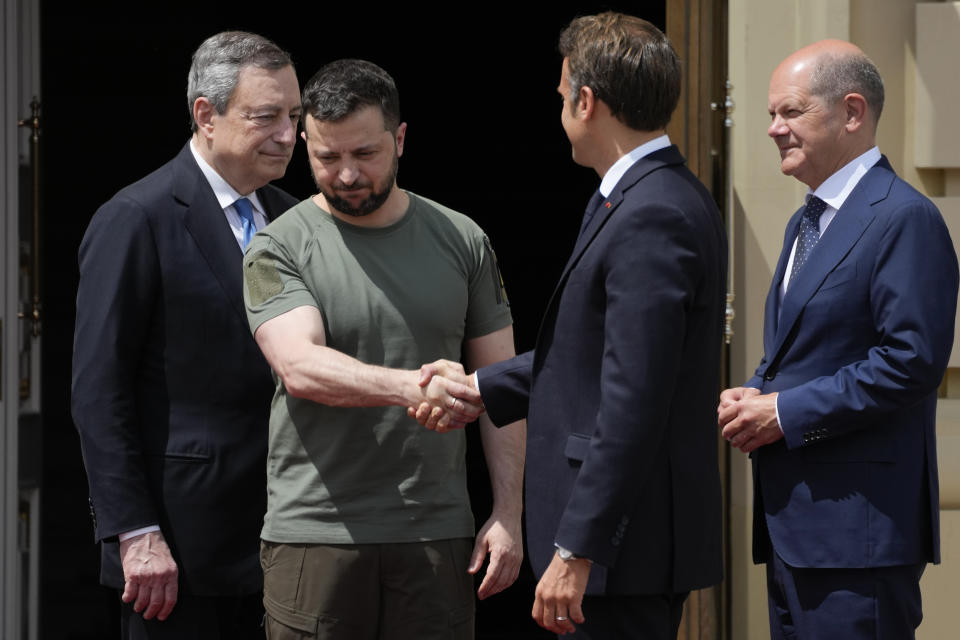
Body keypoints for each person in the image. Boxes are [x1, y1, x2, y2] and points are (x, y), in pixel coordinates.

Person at [415, 12, 725, 639]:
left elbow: (633, 398)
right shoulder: (641, 196)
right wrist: (484, 386)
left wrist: (578, 547)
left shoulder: (651, 212)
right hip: (621, 552)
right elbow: (595, 352)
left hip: (617, 557)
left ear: (587, 101)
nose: (559, 111)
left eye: (561, 96)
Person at [241, 58, 525, 640]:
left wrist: (509, 514)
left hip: (434, 532)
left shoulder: (463, 239)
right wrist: (418, 387)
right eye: (326, 156)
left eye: (364, 154)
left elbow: (504, 386)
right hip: (315, 536)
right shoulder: (276, 247)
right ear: (305, 145)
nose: (346, 175)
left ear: (399, 139)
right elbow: (300, 368)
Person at [717, 39, 959, 639]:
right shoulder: (807, 220)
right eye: (771, 114)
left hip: (859, 541)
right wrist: (756, 394)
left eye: (790, 112)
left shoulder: (904, 217)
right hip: (796, 532)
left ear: (852, 113)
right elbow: (813, 349)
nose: (773, 129)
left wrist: (785, 412)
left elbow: (910, 363)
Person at [72, 31, 302, 639]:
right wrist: (135, 532)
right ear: (206, 114)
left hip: (286, 540)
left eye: (294, 116)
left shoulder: (292, 215)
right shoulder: (135, 218)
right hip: (176, 554)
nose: (287, 135)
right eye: (266, 116)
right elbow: (100, 390)